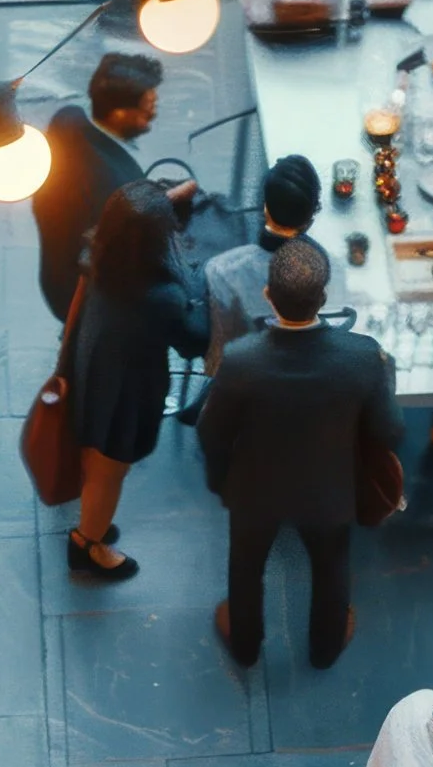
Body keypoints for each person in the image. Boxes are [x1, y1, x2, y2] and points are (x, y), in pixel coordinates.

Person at [199, 236, 404, 672]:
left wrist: (222, 483)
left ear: (268, 295)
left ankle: (245, 647)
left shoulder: (240, 360)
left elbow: (211, 432)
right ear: (324, 297)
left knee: (245, 568)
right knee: (331, 568)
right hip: (328, 492)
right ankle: (325, 649)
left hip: (254, 492)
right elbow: (390, 431)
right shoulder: (362, 356)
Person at [66, 179, 210, 583]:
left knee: (95, 463)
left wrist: (166, 200)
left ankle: (93, 523)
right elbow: (194, 341)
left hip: (93, 369)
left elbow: (131, 216)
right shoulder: (160, 296)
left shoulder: (99, 252)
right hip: (125, 397)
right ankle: (87, 544)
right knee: (109, 474)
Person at [34, 52, 175, 320]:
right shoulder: (116, 187)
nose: (154, 113)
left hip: (54, 275)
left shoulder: (67, 120)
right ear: (119, 113)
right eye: (147, 108)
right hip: (83, 299)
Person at [200, 155, 321, 372]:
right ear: (309, 221)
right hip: (304, 377)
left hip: (239, 377)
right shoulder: (326, 271)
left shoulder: (220, 270)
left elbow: (219, 344)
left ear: (265, 209)